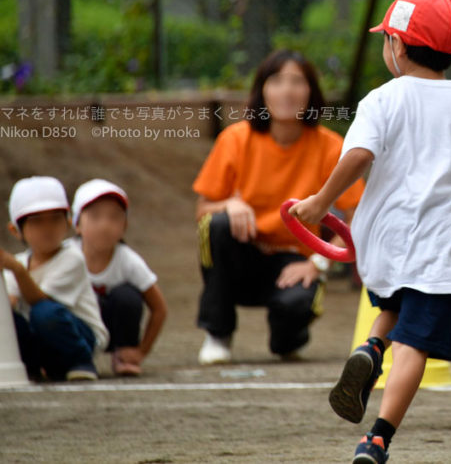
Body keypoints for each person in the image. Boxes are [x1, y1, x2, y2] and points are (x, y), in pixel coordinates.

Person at [289, 0, 451, 463]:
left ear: (397, 46)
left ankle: (372, 344)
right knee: (418, 345)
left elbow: (359, 154)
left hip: (383, 238)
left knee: (397, 303)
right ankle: (378, 437)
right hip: (439, 247)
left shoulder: (380, 100)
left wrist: (322, 202)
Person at [192, 49, 365, 365]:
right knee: (215, 225)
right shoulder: (235, 139)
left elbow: (359, 221)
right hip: (243, 253)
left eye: (297, 82)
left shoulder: (331, 146)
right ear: (262, 90)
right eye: (277, 81)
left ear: (311, 92)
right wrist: (229, 205)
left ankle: (289, 334)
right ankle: (218, 332)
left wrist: (317, 263)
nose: (287, 91)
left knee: (289, 336)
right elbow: (202, 210)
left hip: (293, 262)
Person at [2, 177, 109, 381]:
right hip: (43, 339)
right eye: (36, 221)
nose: (47, 228)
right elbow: (11, 305)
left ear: (68, 222)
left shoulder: (72, 257)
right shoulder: (18, 264)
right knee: (9, 320)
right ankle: (32, 367)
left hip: (81, 337)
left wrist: (17, 270)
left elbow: (40, 300)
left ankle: (80, 361)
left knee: (44, 312)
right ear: (15, 231)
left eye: (55, 219)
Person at [69, 179, 168, 377]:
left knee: (128, 296)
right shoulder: (65, 257)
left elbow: (159, 309)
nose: (105, 225)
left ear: (125, 226)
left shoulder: (129, 261)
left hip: (113, 328)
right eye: (95, 217)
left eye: (114, 217)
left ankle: (123, 355)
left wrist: (141, 351)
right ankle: (73, 357)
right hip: (79, 330)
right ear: (77, 224)